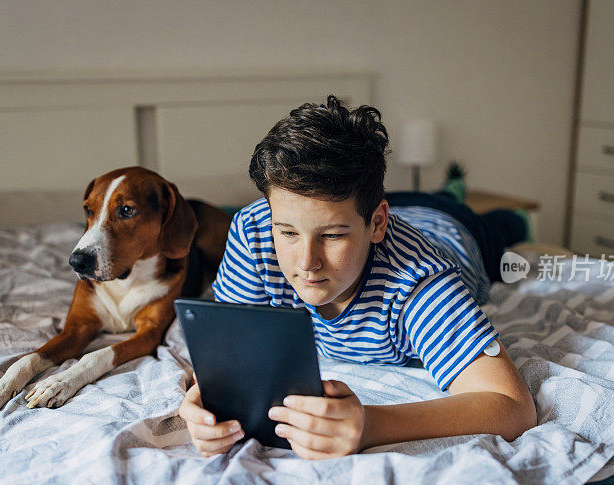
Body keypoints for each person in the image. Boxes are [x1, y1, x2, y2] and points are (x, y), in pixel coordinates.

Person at [179, 96, 537, 460]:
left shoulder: (417, 279)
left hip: (451, 231)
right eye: (287, 233)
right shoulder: (254, 231)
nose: (307, 262)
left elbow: (513, 406)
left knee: (489, 224)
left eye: (332, 235)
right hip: (381, 206)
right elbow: (227, 354)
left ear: (378, 223)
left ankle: (483, 208)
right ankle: (441, 192)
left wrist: (370, 426)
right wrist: (205, 400)